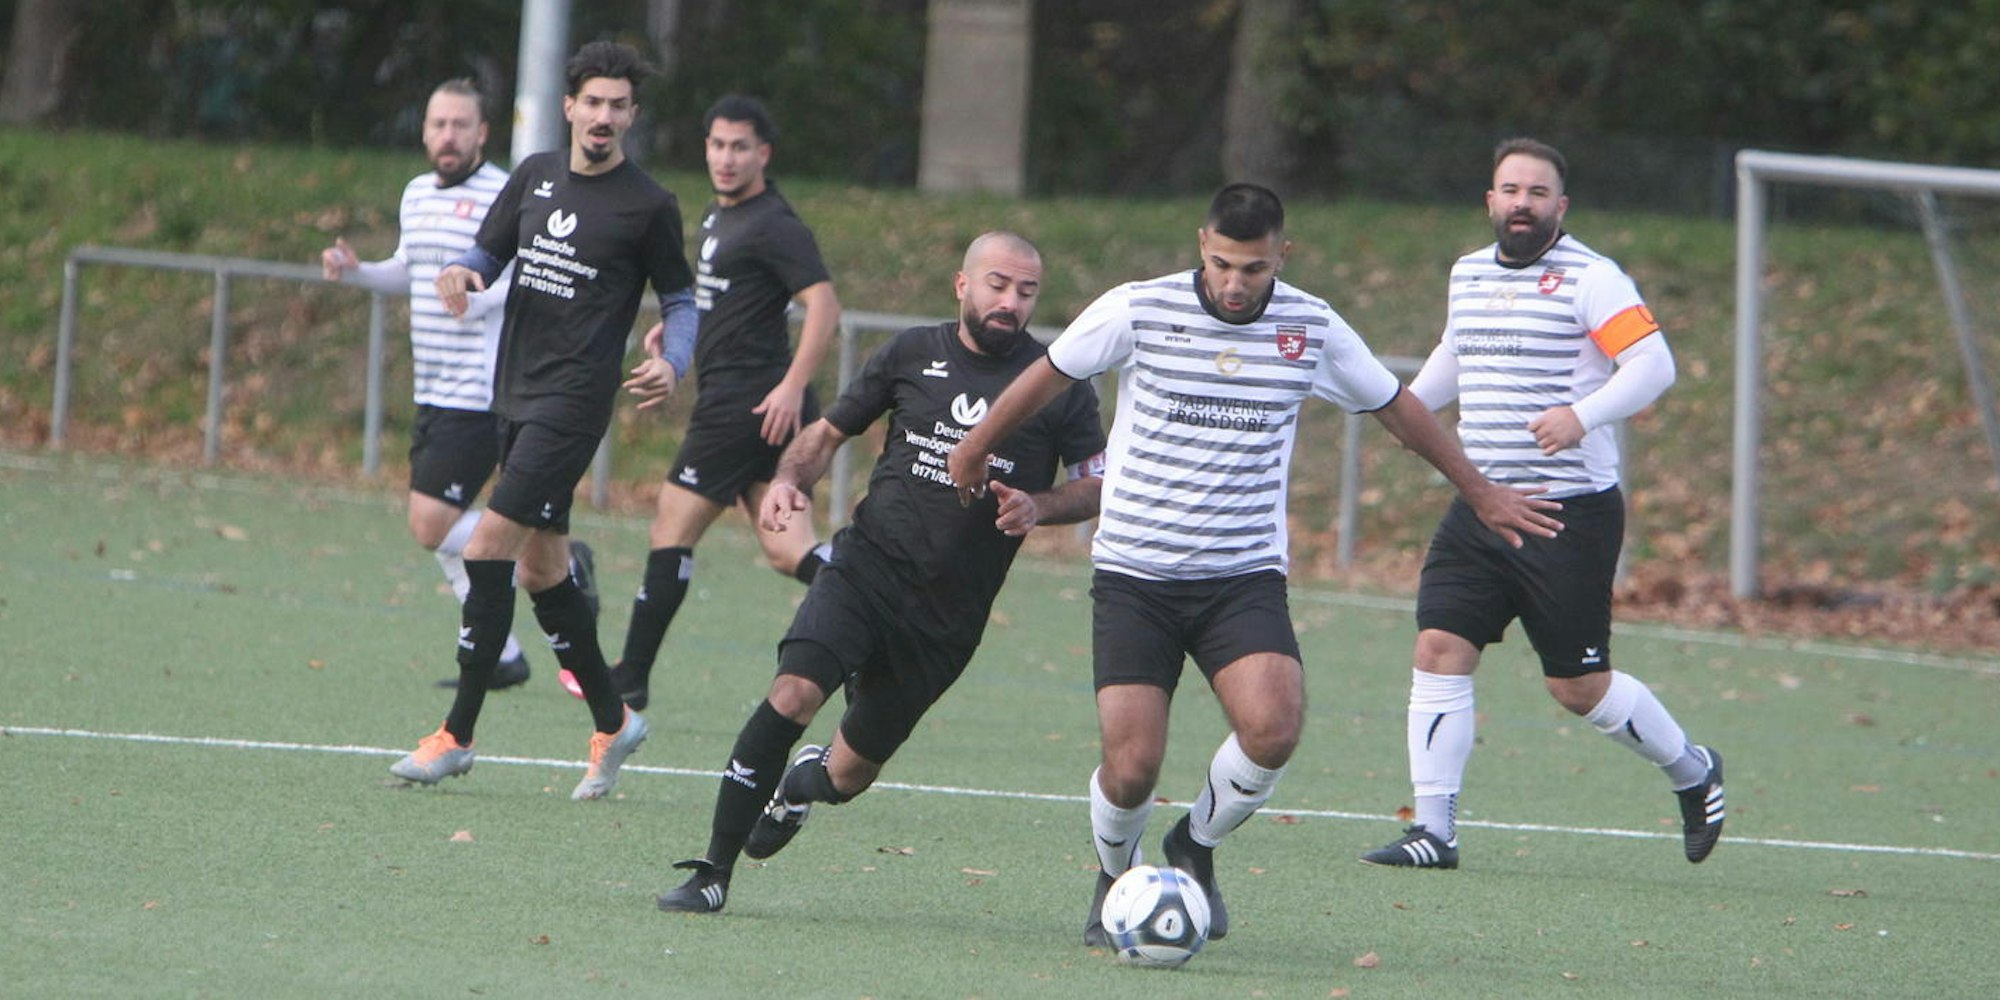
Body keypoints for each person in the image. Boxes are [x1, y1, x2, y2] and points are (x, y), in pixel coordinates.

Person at [945, 184, 1561, 946]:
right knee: (1131, 769)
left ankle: (1193, 845)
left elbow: (1397, 407)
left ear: (1283, 257)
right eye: (1223, 264)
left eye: (1255, 269)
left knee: (1275, 726)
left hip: (1241, 575)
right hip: (1137, 573)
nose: (1236, 284)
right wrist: (973, 446)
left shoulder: (1311, 325)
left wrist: (1480, 490)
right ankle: (1114, 879)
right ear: (1201, 245)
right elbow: (1050, 374)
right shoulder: (1139, 307)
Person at [654, 232, 1107, 914]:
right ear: (962, 285)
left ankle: (804, 785)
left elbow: (1100, 485)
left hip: (947, 617)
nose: (1009, 302)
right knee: (791, 696)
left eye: (1025, 291)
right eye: (997, 284)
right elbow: (828, 431)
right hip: (866, 570)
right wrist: (788, 480)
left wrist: (1040, 506)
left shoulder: (1057, 385)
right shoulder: (911, 353)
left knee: (851, 771)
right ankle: (712, 871)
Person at [1358, 138, 1724, 870]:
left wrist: (1582, 416)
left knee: (1577, 686)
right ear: (1489, 201)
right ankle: (1435, 830)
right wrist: (1399, 406)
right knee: (1437, 648)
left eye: (1537, 192)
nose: (1521, 203)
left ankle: (1693, 770)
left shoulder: (1592, 278)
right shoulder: (1467, 274)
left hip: (1566, 513)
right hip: (1481, 503)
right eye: (1509, 189)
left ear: (1560, 206)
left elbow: (1654, 364)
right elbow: (1452, 361)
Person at [387, 41, 696, 801]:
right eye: (593, 102)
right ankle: (614, 719)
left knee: (489, 552)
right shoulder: (534, 176)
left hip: (574, 404)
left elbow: (682, 299)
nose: (604, 116)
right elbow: (488, 253)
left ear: (632, 115)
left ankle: (456, 735)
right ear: (569, 107)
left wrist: (674, 361)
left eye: (619, 105)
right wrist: (462, 271)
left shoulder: (648, 204)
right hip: (513, 394)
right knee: (541, 570)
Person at [322, 78, 592, 693]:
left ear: (482, 133)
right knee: (442, 530)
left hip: (481, 391)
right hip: (433, 388)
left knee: (430, 524)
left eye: (460, 125)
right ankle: (502, 652)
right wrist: (359, 271)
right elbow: (410, 272)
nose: (448, 136)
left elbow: (523, 281)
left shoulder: (505, 193)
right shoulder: (416, 194)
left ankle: (556, 563)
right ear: (424, 130)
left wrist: (472, 286)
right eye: (438, 124)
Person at [604, 94, 842, 714]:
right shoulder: (719, 215)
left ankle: (631, 675)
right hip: (756, 405)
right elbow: (728, 301)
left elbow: (823, 305)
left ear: (763, 153)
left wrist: (792, 385)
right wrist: (680, 334)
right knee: (788, 549)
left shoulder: (775, 223)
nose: (726, 158)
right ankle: (871, 595)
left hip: (748, 401)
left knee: (670, 527)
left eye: (739, 147)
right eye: (717, 145)